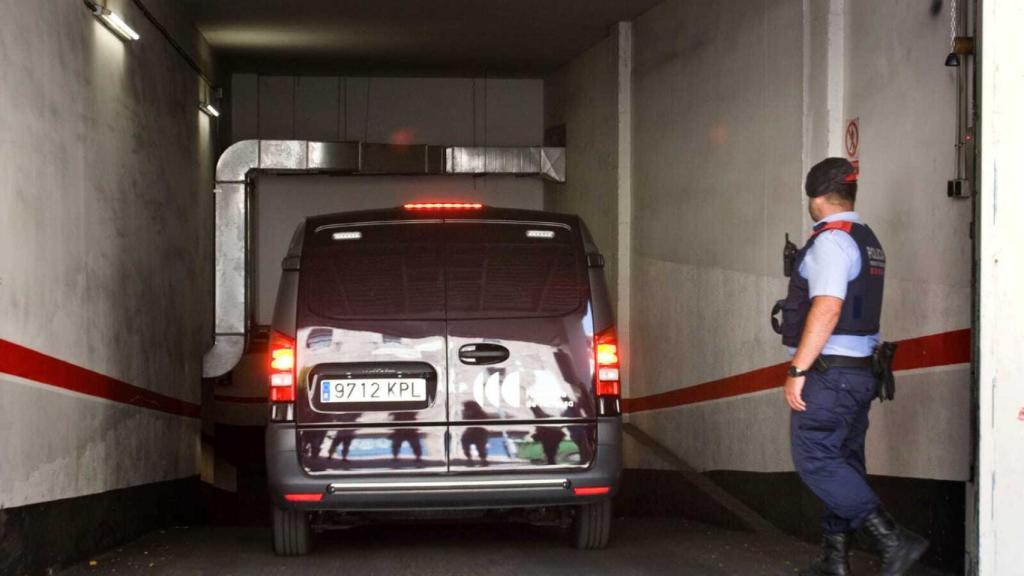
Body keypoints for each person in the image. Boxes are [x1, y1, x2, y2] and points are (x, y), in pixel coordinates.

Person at [774, 158, 927, 576]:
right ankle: (834, 560)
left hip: (830, 375)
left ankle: (892, 539)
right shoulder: (866, 238)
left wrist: (797, 370)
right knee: (843, 462)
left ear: (816, 197)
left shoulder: (831, 241)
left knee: (816, 459)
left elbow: (827, 307)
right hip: (860, 373)